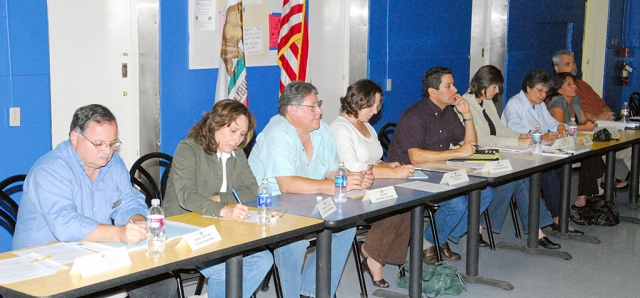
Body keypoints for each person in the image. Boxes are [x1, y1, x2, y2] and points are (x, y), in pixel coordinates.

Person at [13, 104, 177, 298]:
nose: (107, 151)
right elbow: (65, 225)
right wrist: (119, 234)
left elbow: (128, 201)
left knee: (161, 284)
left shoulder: (112, 163)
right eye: (99, 144)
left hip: (91, 255)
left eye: (113, 143)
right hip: (41, 265)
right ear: (75, 138)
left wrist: (138, 220)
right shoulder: (50, 170)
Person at [248, 82, 374, 298]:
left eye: (319, 105)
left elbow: (330, 170)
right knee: (294, 243)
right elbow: (287, 185)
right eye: (313, 106)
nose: (320, 111)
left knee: (346, 227)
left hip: (308, 202)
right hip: (270, 207)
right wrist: (334, 186)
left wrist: (351, 178)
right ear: (292, 110)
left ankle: (311, 292)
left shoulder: (321, 129)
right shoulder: (278, 133)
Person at [162, 99, 273, 298]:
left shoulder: (237, 153)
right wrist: (224, 209)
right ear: (215, 124)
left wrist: (220, 199)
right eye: (233, 131)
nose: (237, 140)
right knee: (225, 270)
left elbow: (252, 189)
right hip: (181, 229)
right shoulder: (188, 149)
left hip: (220, 227)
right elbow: (187, 197)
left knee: (263, 259)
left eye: (242, 134)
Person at [387, 66, 495, 264]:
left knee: (485, 192)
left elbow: (469, 145)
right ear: (432, 91)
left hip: (439, 171)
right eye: (449, 86)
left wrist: (467, 114)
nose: (455, 89)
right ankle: (428, 241)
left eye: (453, 84)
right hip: (411, 174)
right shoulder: (415, 115)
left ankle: (439, 237)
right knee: (456, 203)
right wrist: (457, 153)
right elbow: (416, 157)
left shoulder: (448, 113)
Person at [330, 79, 415, 287]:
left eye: (378, 106)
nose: (376, 111)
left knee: (407, 205)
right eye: (372, 105)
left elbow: (373, 160)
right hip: (348, 189)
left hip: (371, 183)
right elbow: (351, 166)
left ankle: (372, 253)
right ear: (358, 101)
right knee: (393, 209)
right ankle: (373, 259)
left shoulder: (366, 125)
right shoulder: (340, 127)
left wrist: (388, 166)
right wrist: (394, 175)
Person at [463, 65, 559, 248]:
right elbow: (482, 140)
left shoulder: (487, 101)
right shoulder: (466, 104)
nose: (498, 91)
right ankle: (482, 226)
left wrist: (520, 136)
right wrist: (517, 142)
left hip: (492, 153)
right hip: (475, 155)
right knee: (513, 179)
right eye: (495, 87)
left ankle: (535, 231)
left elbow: (500, 129)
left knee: (520, 177)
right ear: (484, 84)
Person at [501, 69, 583, 234]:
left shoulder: (539, 106)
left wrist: (560, 126)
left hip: (536, 152)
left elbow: (551, 122)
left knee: (562, 168)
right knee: (549, 172)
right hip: (517, 153)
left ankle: (557, 213)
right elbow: (515, 129)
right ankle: (558, 216)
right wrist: (541, 136)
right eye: (539, 90)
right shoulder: (515, 103)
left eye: (545, 92)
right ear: (528, 87)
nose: (542, 96)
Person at [553, 50, 630, 191]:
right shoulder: (556, 93)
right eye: (567, 64)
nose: (572, 66)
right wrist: (596, 118)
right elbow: (565, 123)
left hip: (597, 127)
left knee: (631, 147)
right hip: (576, 135)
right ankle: (595, 194)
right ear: (557, 69)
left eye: (574, 62)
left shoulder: (582, 85)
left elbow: (599, 104)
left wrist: (605, 112)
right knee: (592, 148)